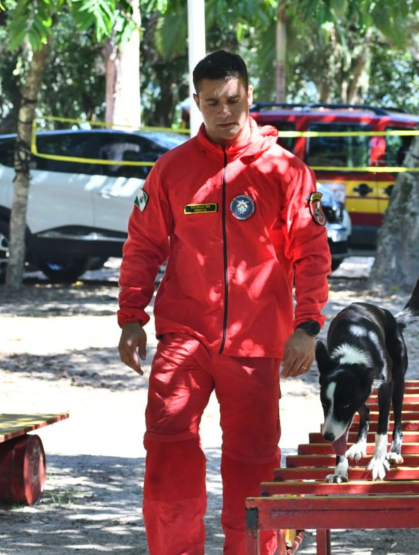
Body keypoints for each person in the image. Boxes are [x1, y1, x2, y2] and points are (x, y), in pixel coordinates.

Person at [117, 50, 332, 555]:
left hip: (256, 343)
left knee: (254, 463)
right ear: (196, 102)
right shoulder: (171, 171)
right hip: (184, 339)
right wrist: (131, 318)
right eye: (212, 101)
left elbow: (312, 252)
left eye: (233, 99)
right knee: (167, 451)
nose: (224, 111)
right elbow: (143, 247)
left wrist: (308, 324)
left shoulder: (287, 171)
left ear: (249, 96)